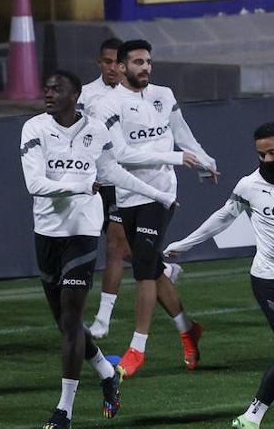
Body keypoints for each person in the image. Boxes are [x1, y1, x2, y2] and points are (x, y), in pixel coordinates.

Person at [23, 70, 176, 429]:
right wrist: (82, 183)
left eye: (56, 88)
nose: (48, 93)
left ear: (75, 94)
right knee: (65, 324)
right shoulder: (34, 129)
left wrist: (159, 195)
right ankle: (107, 374)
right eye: (46, 87)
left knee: (73, 320)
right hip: (46, 233)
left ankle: (65, 410)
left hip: (82, 232)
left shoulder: (95, 130)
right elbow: (35, 184)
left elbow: (113, 172)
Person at [165, 122, 274, 429]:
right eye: (261, 155)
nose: (267, 160)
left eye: (273, 153)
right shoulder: (249, 185)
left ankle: (253, 415)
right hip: (269, 279)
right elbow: (220, 219)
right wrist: (184, 244)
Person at [92, 39, 218, 377]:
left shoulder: (164, 95)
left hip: (161, 194)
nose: (145, 67)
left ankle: (137, 348)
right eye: (136, 62)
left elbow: (183, 134)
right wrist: (175, 157)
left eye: (148, 61)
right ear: (119, 67)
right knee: (149, 264)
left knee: (145, 266)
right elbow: (121, 154)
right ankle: (187, 329)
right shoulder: (107, 105)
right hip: (128, 192)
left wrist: (205, 162)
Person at [81, 38, 180, 340]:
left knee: (114, 246)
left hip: (129, 182)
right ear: (102, 63)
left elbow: (159, 137)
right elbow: (86, 136)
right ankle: (164, 274)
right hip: (103, 181)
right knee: (128, 251)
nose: (112, 67)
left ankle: (103, 319)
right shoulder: (89, 96)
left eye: (117, 62)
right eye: (107, 62)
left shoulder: (152, 96)